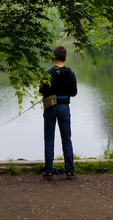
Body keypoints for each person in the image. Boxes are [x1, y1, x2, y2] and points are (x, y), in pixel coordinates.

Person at [39, 45, 78, 180]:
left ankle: (49, 171)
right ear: (65, 58)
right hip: (64, 107)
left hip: (50, 107)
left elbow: (41, 90)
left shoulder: (48, 73)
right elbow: (73, 93)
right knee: (66, 139)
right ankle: (70, 171)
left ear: (54, 57)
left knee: (49, 140)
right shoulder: (71, 74)